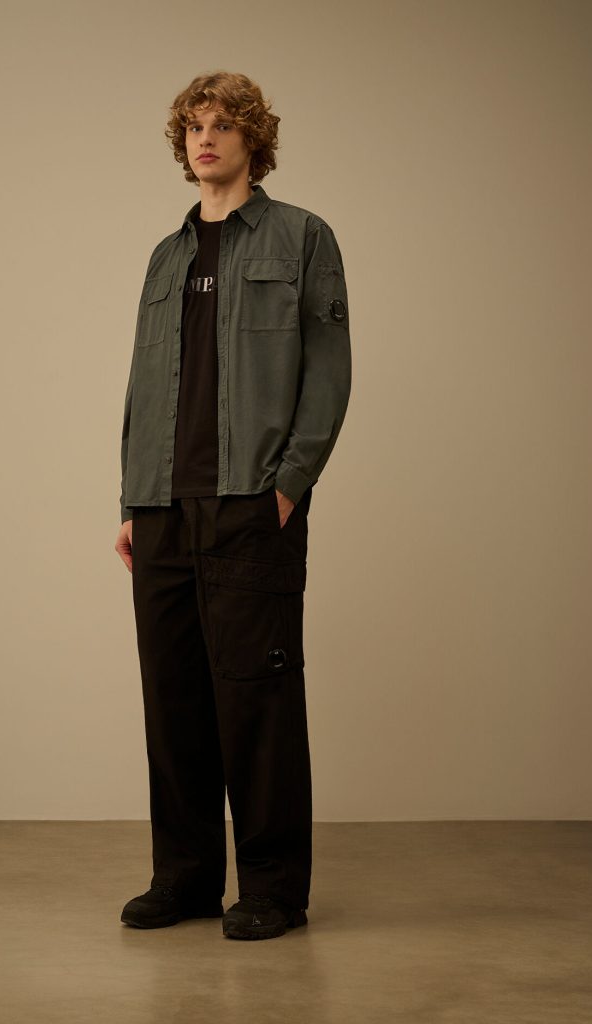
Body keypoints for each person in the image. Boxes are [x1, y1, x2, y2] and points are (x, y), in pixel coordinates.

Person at [114, 70, 352, 940]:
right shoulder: (165, 256)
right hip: (162, 505)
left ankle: (272, 890)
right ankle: (182, 879)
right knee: (173, 698)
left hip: (251, 500)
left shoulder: (301, 238)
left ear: (254, 138)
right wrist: (131, 499)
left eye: (222, 125)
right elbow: (146, 382)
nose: (205, 139)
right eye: (193, 127)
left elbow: (328, 369)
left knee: (256, 699)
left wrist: (290, 482)